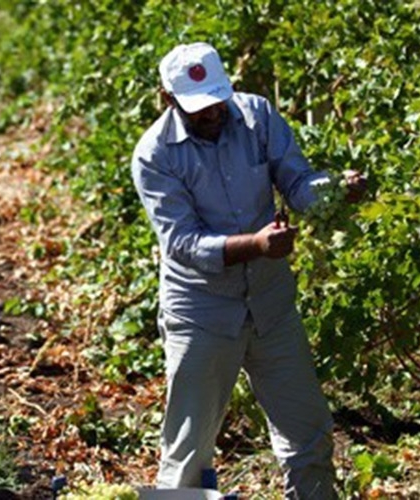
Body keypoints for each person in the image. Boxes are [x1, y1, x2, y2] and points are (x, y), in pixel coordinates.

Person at [131, 42, 367, 498]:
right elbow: (181, 244)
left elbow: (296, 181)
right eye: (200, 107)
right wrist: (257, 245)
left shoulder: (256, 116)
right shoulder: (155, 155)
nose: (214, 112)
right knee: (188, 452)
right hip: (202, 313)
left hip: (270, 305)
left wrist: (334, 188)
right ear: (167, 98)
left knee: (309, 435)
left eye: (219, 99)